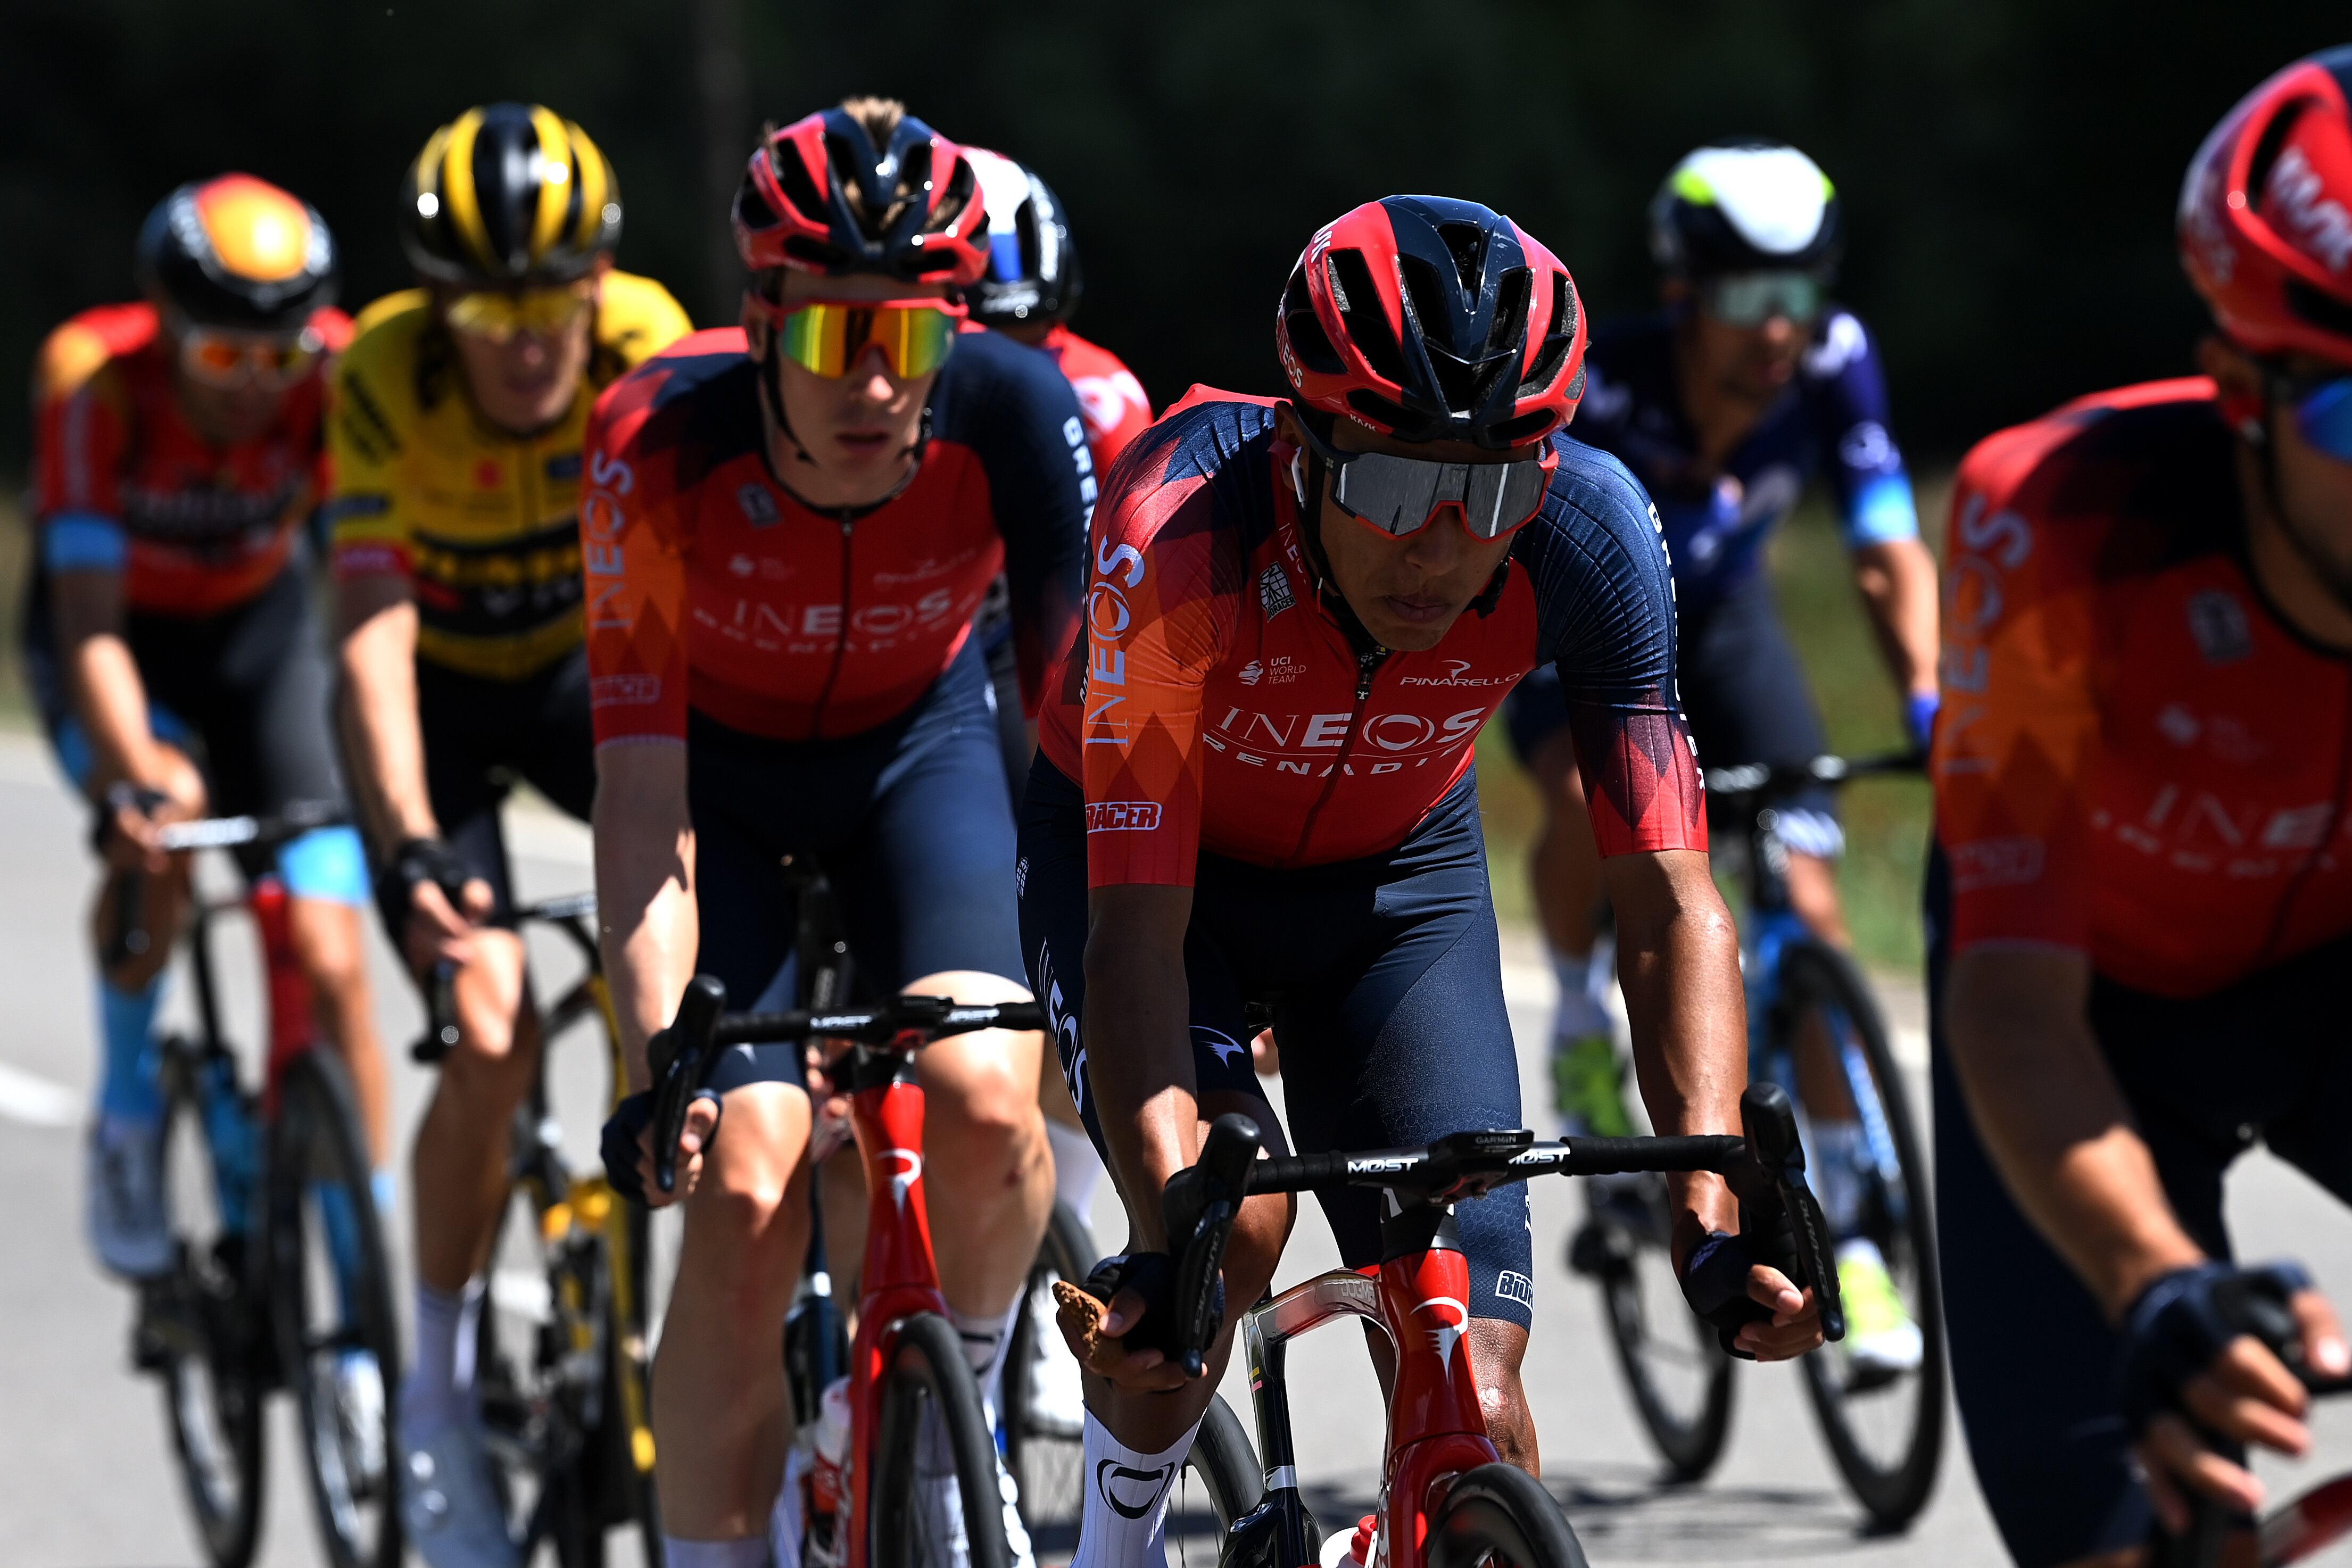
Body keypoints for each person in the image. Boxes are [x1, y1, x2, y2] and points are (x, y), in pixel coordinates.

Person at [1024, 195, 1823, 1567]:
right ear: (1300, 441)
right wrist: (1172, 1229)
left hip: (1398, 890)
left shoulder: (1595, 534)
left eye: (1493, 490)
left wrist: (1707, 1200)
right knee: (1231, 1239)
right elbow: (1137, 943)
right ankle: (1113, 1540)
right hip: (1164, 890)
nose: (1443, 545)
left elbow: (1665, 896)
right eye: (1396, 486)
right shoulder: (1178, 535)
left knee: (1481, 1389)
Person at [583, 98, 1088, 1568]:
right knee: (747, 1170)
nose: (872, 383)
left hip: (911, 752)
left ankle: (946, 1430)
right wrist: (651, 1053)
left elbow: (1080, 731)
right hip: (717, 789)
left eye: (911, 337)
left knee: (991, 1104)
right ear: (757, 321)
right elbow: (640, 798)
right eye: (827, 337)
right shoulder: (654, 443)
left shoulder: (1012, 407)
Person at [1932, 45, 2352, 1568]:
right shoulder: (2059, 525)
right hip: (2078, 1015)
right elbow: (2015, 1002)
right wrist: (2153, 1279)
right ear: (2238, 387)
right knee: (2142, 1543)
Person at [1502, 138, 1938, 1371]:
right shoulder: (1603, 383)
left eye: (1801, 295)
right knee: (1586, 805)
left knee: (1807, 904)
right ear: (1687, 293)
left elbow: (1883, 539)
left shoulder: (1835, 364)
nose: (1778, 331)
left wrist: (1924, 695)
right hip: (1581, 633)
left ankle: (1843, 1222)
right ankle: (1584, 1007)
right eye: (1750, 298)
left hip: (1728, 627)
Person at [326, 102, 692, 1567]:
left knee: (664, 988)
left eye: (552, 300)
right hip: (435, 699)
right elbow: (365, 629)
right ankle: (430, 1375)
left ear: (595, 284)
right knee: (486, 1027)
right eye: (485, 304)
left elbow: (690, 599)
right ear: (435, 298)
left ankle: (631, 1297)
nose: (525, 339)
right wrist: (413, 847)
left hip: (577, 678)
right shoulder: (382, 372)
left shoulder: (646, 337)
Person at [24, 174, 384, 1281]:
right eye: (224, 358)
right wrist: (138, 774)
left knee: (329, 953)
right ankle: (129, 1114)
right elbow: (87, 625)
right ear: (167, 327)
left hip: (258, 639)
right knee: (167, 830)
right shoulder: (102, 396)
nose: (254, 387)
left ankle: (365, 1276)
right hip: (118, 644)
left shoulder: (333, 381)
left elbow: (360, 580)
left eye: (279, 358)